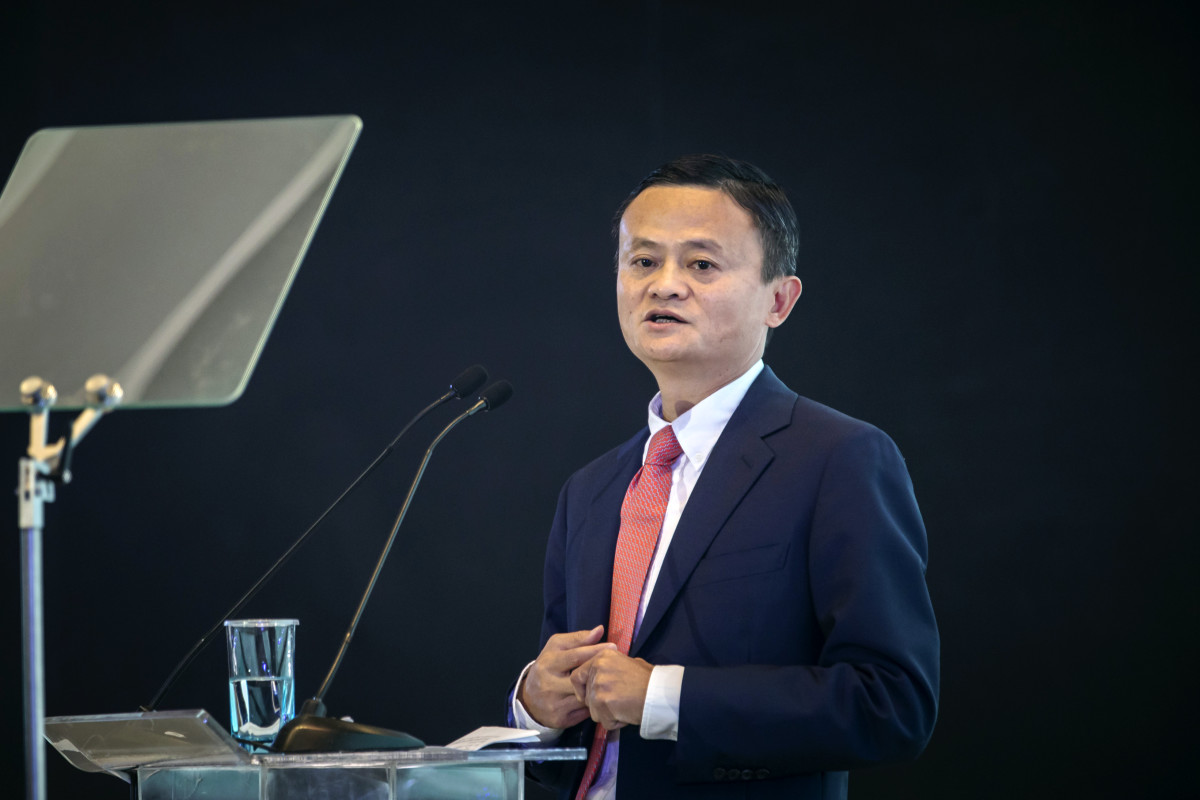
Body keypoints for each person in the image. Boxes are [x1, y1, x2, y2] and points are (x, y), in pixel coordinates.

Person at [510, 154, 939, 799]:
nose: (665, 285)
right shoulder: (591, 490)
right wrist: (535, 708)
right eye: (643, 260)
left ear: (779, 300)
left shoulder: (839, 458)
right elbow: (569, 748)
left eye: (702, 265)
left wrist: (662, 696)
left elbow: (892, 704)